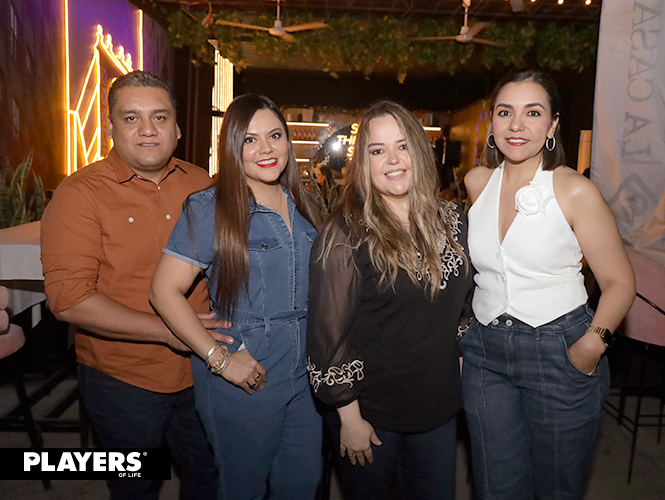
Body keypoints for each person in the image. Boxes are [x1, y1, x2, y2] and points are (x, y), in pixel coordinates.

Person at [41, 71, 231, 499]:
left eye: (160, 117)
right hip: (123, 378)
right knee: (136, 488)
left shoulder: (203, 184)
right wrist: (171, 331)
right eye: (131, 118)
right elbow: (69, 300)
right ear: (110, 128)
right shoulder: (79, 194)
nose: (148, 129)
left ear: (178, 128)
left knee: (215, 475)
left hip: (205, 371)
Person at [461, 70, 636, 500]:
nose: (516, 125)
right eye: (506, 112)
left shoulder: (575, 191)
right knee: (495, 487)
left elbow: (619, 282)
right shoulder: (476, 182)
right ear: (492, 121)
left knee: (556, 488)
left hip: (561, 350)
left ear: (553, 125)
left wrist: (591, 345)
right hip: (486, 355)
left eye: (532, 113)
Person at [149, 94, 324, 500]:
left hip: (305, 373)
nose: (266, 149)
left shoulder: (304, 203)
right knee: (241, 488)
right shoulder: (211, 207)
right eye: (249, 139)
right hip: (248, 369)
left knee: (301, 485)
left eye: (275, 136)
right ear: (232, 147)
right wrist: (220, 360)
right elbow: (163, 290)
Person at [307, 101, 473, 500]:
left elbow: (464, 312)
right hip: (371, 415)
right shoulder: (344, 233)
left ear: (419, 150)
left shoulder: (452, 221)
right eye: (377, 151)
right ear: (364, 162)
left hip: (437, 410)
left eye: (402, 146)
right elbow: (328, 340)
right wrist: (349, 418)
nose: (392, 160)